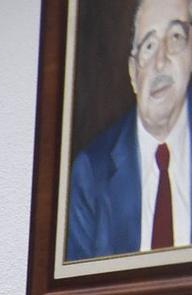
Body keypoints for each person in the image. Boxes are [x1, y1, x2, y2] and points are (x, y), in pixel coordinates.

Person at [66, 0, 191, 262]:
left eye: (175, 37)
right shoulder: (90, 175)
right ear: (133, 74)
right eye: (149, 46)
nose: (160, 62)